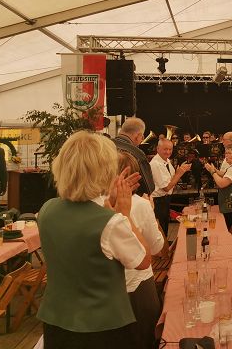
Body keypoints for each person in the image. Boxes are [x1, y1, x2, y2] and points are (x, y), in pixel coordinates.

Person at [38, 131, 151, 349]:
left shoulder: (46, 210)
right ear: (105, 171)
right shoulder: (110, 222)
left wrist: (109, 201)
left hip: (56, 322)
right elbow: (144, 260)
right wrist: (125, 214)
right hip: (102, 328)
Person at [117, 152, 165, 349]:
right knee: (145, 339)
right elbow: (157, 247)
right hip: (138, 285)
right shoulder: (141, 205)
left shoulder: (98, 203)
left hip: (110, 291)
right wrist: (151, 213)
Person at [204, 144, 232, 239]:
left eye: (229, 153)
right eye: (225, 153)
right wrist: (213, 169)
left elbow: (221, 183)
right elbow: (224, 174)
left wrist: (212, 172)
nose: (226, 156)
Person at [149, 138, 191, 235]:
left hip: (166, 199)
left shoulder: (167, 161)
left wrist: (180, 170)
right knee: (161, 231)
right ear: (158, 149)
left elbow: (171, 180)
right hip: (158, 202)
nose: (168, 152)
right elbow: (166, 187)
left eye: (170, 149)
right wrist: (179, 173)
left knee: (165, 229)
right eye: (165, 149)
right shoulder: (155, 164)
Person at [113, 117, 155, 196]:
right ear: (139, 136)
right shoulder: (137, 153)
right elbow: (149, 188)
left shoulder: (103, 146)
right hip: (125, 199)